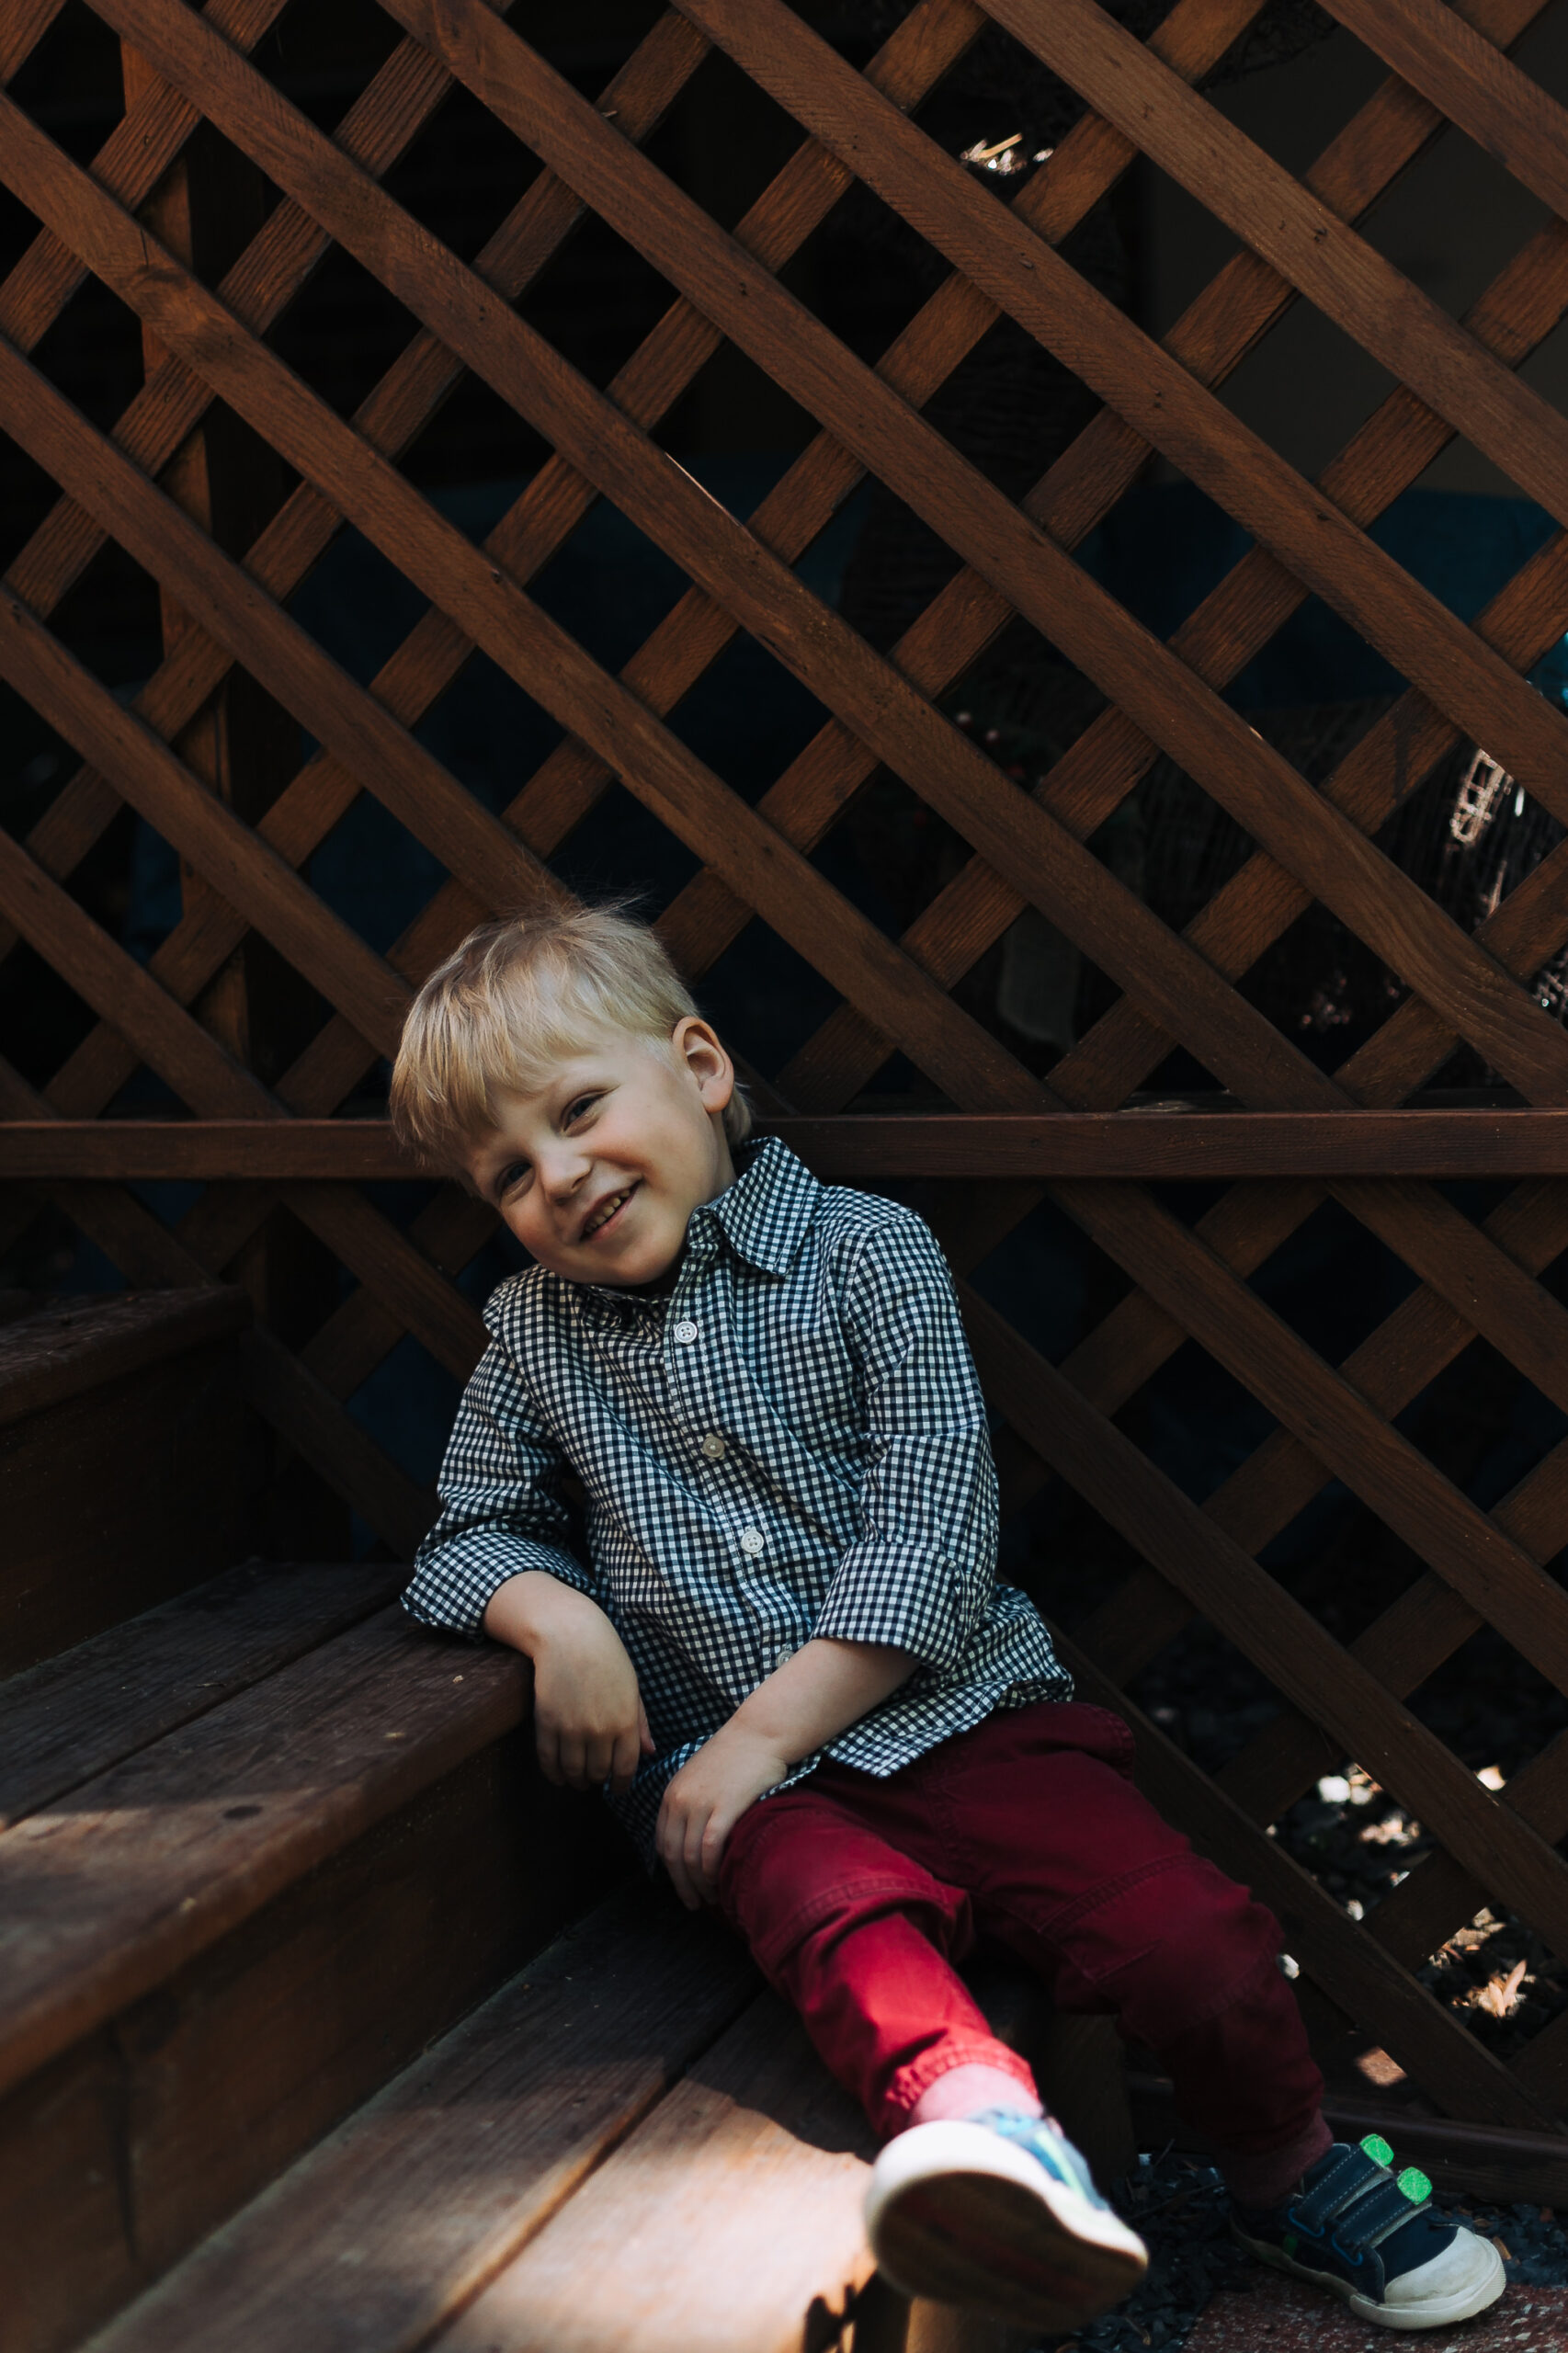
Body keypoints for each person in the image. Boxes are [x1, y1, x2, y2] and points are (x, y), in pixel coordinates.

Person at [390, 901, 1506, 2336]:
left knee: (1191, 1939)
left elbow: (927, 1544)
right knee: (830, 1915)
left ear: (703, 1069)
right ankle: (987, 2141)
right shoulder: (532, 1336)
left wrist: (742, 1742)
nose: (558, 1178)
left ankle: (1284, 2173)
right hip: (778, 1798)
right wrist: (557, 1622)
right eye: (504, 1173)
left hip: (965, 1718)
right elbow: (461, 1532)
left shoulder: (867, 1256)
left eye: (578, 1110)